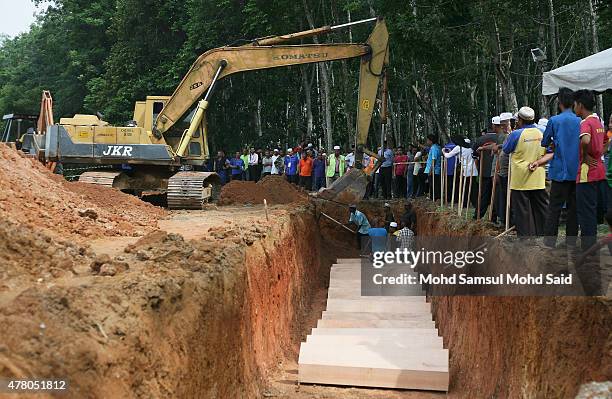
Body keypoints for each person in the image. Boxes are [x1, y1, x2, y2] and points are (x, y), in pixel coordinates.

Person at [529, 87, 580, 248]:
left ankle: (550, 241)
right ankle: (571, 241)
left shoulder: (554, 121)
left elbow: (544, 142)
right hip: (577, 171)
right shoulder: (580, 121)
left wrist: (553, 142)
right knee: (574, 208)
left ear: (559, 103)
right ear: (573, 103)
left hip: (559, 171)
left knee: (554, 208)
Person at [502, 106, 548, 236]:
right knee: (541, 206)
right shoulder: (542, 132)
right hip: (538, 175)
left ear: (520, 120)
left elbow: (506, 149)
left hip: (520, 177)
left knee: (522, 209)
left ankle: (525, 235)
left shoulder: (516, 134)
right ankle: (544, 232)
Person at [573, 89, 607, 253]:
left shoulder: (585, 122)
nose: (574, 108)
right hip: (599, 170)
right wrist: (599, 153)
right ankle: (591, 245)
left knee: (585, 212)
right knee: (592, 210)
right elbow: (607, 141)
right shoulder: (598, 122)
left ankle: (588, 247)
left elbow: (585, 139)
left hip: (587, 172)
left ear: (580, 105)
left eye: (575, 105)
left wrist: (586, 154)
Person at [473, 118, 501, 218]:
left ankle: (477, 216)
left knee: (483, 195)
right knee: (497, 196)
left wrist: (479, 170)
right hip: (498, 172)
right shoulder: (502, 138)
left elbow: (475, 156)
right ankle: (493, 217)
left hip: (484, 171)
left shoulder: (480, 139)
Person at [444, 138, 478, 214]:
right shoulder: (470, 148)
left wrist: (443, 151)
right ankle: (475, 204)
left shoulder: (459, 147)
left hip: (466, 170)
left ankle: (464, 203)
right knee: (473, 187)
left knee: (464, 187)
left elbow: (448, 156)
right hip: (473, 170)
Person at [424, 135, 442, 200]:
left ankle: (435, 198)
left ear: (431, 141)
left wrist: (430, 170)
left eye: (427, 140)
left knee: (434, 185)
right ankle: (432, 197)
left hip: (434, 170)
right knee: (433, 185)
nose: (427, 142)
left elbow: (434, 159)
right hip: (435, 169)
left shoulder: (434, 148)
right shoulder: (437, 147)